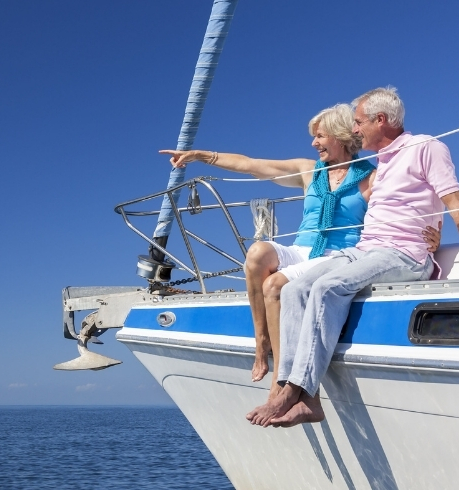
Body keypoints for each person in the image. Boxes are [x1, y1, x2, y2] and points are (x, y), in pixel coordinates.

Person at [246, 87, 459, 428]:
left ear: (381, 120)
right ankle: (305, 397)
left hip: (403, 253)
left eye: (359, 122)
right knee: (293, 289)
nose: (355, 130)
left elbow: (454, 203)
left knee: (328, 287)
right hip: (365, 249)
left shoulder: (426, 147)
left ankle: (293, 390)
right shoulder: (382, 162)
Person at [160, 103, 441, 398]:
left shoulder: (372, 178)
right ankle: (261, 344)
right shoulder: (308, 171)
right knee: (257, 253)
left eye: (320, 136)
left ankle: (280, 379)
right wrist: (199, 156)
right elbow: (250, 165)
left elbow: (409, 203)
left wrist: (431, 234)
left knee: (275, 285)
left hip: (337, 256)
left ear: (340, 135)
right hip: (301, 249)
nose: (314, 143)